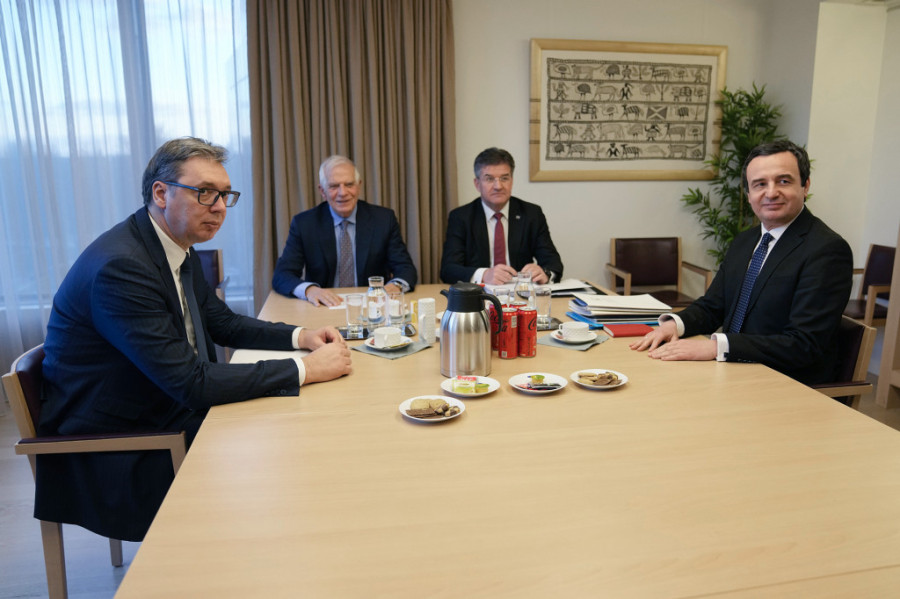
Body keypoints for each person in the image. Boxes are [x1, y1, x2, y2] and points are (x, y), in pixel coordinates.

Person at [35, 137, 353, 542]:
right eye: (205, 192)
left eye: (224, 195)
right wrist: (305, 369)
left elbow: (223, 323)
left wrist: (301, 336)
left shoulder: (174, 246)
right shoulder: (122, 267)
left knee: (294, 426)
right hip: (119, 442)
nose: (219, 207)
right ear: (161, 193)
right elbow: (191, 383)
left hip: (160, 404)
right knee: (282, 449)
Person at [630, 140, 853, 385]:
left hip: (785, 383)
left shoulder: (827, 250)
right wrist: (674, 326)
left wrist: (715, 347)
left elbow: (804, 344)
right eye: (760, 184)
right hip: (733, 370)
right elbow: (714, 306)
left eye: (783, 181)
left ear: (805, 186)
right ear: (748, 195)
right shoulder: (745, 241)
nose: (771, 193)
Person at [272, 155, 418, 307]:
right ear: (322, 191)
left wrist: (395, 286)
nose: (343, 192)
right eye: (334, 186)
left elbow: (406, 269)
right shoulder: (305, 224)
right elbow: (282, 275)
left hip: (372, 306)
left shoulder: (383, 220)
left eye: (349, 184)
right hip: (323, 307)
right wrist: (310, 290)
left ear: (359, 186)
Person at [440, 147, 564, 285]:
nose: (498, 186)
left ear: (512, 181)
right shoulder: (461, 217)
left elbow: (554, 264)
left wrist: (545, 273)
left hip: (520, 293)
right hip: (479, 294)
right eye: (489, 179)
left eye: (504, 178)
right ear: (477, 184)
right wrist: (484, 275)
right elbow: (448, 270)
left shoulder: (531, 214)